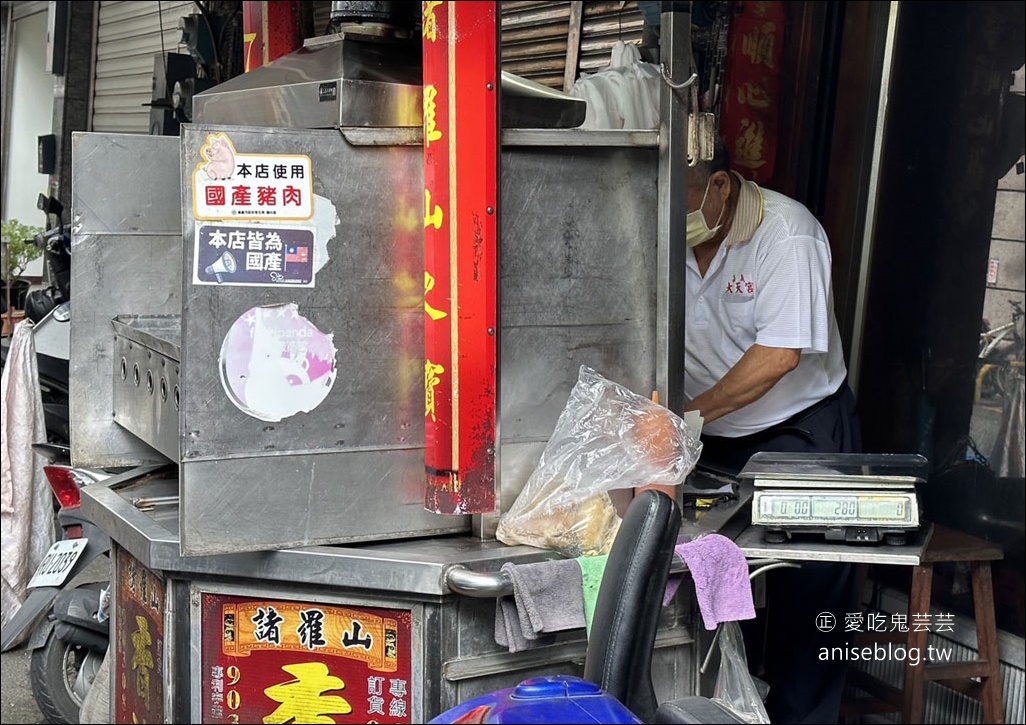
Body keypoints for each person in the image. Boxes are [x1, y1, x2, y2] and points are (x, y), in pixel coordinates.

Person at [682, 137, 861, 724]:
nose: (670, 208)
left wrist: (688, 417)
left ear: (721, 185)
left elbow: (779, 355)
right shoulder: (663, 234)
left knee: (809, 595)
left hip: (802, 433)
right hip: (712, 435)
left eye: (684, 194)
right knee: (708, 586)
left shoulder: (788, 234)